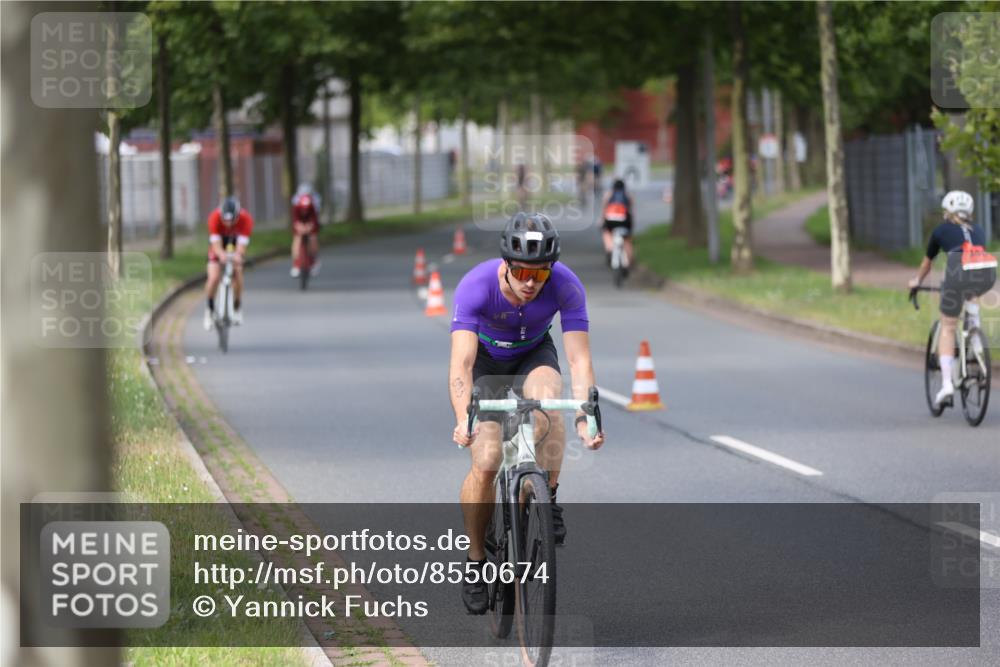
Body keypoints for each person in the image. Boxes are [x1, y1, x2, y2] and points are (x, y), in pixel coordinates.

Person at [448, 212, 605, 614]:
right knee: (485, 461)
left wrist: (587, 419)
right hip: (487, 362)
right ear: (506, 264)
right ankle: (475, 559)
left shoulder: (567, 285)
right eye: (521, 271)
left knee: (547, 400)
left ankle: (546, 494)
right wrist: (462, 416)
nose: (531, 282)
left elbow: (579, 359)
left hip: (534, 352)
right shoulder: (476, 286)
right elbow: (461, 365)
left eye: (541, 274)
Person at [909, 190, 997, 406]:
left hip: (958, 271)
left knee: (948, 326)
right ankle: (975, 334)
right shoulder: (978, 229)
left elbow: (927, 263)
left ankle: (947, 384)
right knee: (971, 293)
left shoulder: (941, 230)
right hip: (986, 271)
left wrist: (916, 281)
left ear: (947, 211)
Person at [204, 197, 254, 330]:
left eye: (232, 220)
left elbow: (241, 246)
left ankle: (237, 307)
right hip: (220, 244)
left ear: (238, 216)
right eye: (225, 220)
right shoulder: (214, 218)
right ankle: (209, 310)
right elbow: (215, 244)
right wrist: (221, 255)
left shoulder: (246, 220)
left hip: (235, 243)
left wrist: (238, 256)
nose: (228, 223)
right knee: (213, 277)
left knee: (238, 272)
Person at [601, 179, 635, 269]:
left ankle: (610, 248)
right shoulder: (628, 195)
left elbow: (604, 209)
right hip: (625, 220)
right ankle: (629, 262)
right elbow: (630, 210)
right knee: (627, 240)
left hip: (610, 220)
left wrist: (601, 220)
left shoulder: (608, 195)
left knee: (607, 232)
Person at [290, 189, 321, 278]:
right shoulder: (296, 208)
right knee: (297, 239)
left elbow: (314, 220)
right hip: (299, 224)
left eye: (306, 208)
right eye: (303, 208)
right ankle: (296, 263)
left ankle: (314, 259)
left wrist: (310, 227)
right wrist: (299, 227)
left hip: (310, 225)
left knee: (313, 238)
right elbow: (295, 220)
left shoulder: (312, 208)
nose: (305, 210)